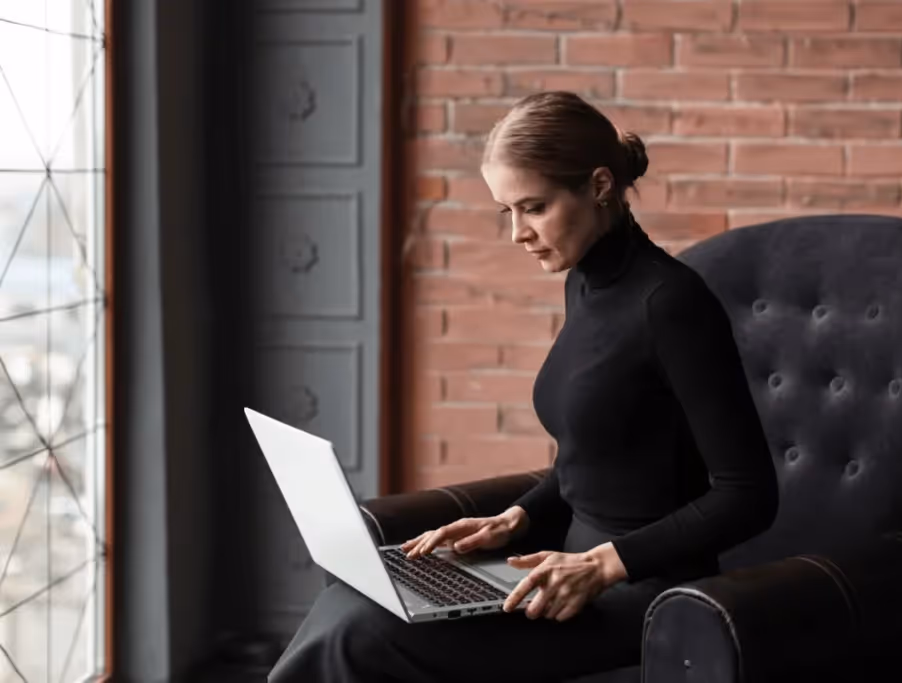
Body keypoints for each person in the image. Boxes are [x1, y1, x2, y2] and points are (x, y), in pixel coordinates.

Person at [268, 91, 778, 683]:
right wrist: (516, 517)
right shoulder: (584, 284)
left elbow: (748, 494)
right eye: (506, 210)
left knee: (362, 632)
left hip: (639, 595)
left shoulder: (671, 303)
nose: (517, 233)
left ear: (600, 185)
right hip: (554, 569)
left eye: (533, 207)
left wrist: (603, 564)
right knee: (351, 603)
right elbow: (602, 454)